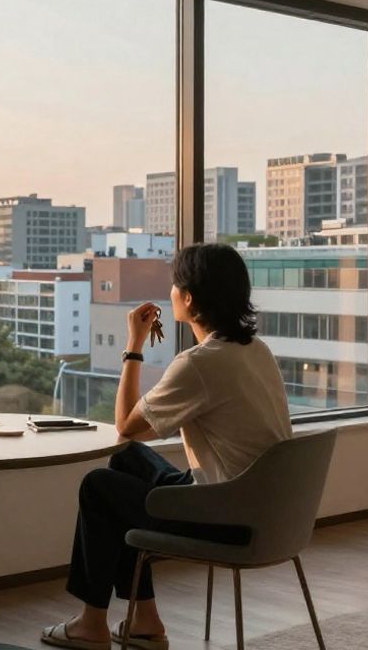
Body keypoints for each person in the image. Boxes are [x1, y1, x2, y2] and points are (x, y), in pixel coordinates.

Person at [41, 243, 293, 650]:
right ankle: (144, 620)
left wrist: (134, 344)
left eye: (176, 285)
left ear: (189, 298)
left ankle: (91, 623)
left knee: (98, 487)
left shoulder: (200, 362)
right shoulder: (255, 350)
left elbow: (125, 425)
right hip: (268, 507)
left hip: (228, 515)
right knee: (125, 463)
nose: (171, 291)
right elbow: (130, 443)